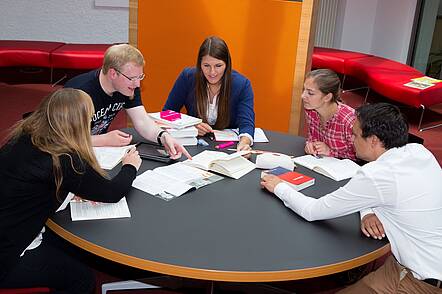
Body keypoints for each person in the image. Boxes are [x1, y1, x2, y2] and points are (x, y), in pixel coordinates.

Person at [261, 103, 442, 293]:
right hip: (405, 266)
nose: (351, 139)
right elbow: (381, 191)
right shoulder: (418, 152)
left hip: (423, 283)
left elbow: (312, 211)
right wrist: (368, 210)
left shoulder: (378, 175)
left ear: (373, 140)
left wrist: (279, 186)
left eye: (355, 135)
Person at [0, 88, 142, 293]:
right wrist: (130, 166)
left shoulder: (24, 134)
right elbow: (112, 192)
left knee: (68, 248)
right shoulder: (64, 159)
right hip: (8, 257)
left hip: (6, 230)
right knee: (81, 279)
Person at [65, 43, 190, 159]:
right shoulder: (78, 92)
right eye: (132, 78)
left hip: (97, 152)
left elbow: (142, 121)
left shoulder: (128, 87)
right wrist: (103, 139)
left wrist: (163, 136)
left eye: (140, 77)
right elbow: (62, 139)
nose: (137, 84)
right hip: (69, 155)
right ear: (113, 74)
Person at [163, 36, 255, 152]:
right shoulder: (187, 78)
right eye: (206, 66)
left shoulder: (242, 84)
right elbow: (167, 113)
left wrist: (244, 143)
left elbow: (246, 123)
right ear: (199, 64)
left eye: (218, 66)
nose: (212, 72)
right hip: (194, 147)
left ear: (227, 65)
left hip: (228, 149)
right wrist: (190, 125)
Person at [302, 69, 356, 160]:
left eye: (310, 93)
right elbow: (312, 136)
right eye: (304, 90)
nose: (303, 96)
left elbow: (361, 157)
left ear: (327, 97)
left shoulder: (349, 121)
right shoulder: (311, 110)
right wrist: (310, 145)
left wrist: (330, 152)